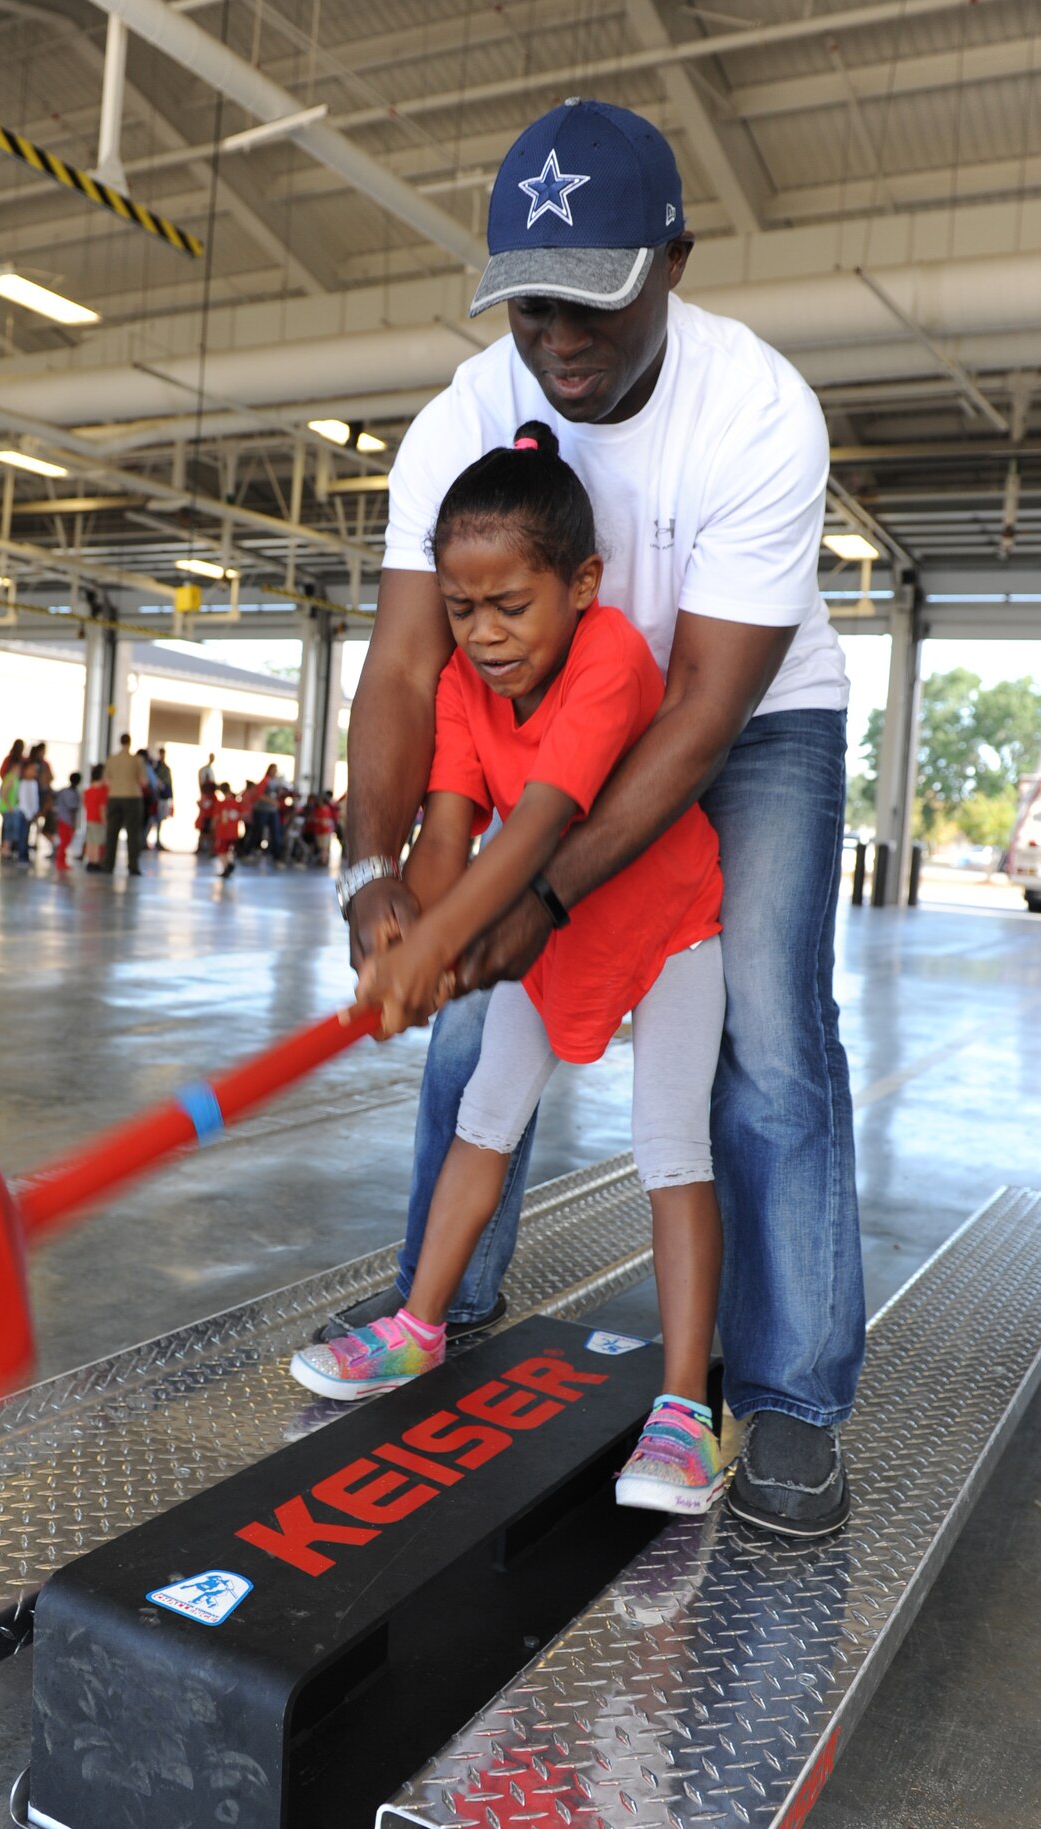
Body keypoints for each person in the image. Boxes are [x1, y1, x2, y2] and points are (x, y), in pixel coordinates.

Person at [334, 99, 863, 1539]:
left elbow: (691, 713)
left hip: (743, 720)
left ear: (674, 264)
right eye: (529, 305)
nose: (559, 336)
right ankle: (436, 1307)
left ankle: (794, 1395)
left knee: (764, 1035)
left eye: (594, 299)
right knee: (461, 1008)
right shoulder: (457, 420)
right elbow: (401, 662)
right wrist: (380, 874)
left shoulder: (754, 411)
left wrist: (540, 899)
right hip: (542, 718)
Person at [290, 429, 727, 1513]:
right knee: (481, 1115)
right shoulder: (461, 689)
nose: (482, 633)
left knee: (669, 1144)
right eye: (458, 605)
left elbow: (534, 835)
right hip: (550, 938)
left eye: (509, 606)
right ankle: (416, 1326)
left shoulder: (614, 656)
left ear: (578, 585)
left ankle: (684, 1411)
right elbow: (450, 833)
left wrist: (441, 951)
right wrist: (403, 929)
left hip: (668, 921)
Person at [103, 731, 148, 876]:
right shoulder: (136, 760)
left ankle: (108, 864)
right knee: (133, 833)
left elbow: (106, 780)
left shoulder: (112, 759)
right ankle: (133, 866)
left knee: (111, 832)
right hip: (132, 797)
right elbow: (144, 781)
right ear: (130, 742)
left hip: (114, 796)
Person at [211, 782, 243, 879]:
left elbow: (216, 817)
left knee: (221, 850)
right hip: (233, 832)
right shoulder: (236, 803)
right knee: (229, 850)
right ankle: (229, 865)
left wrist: (212, 827)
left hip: (223, 832)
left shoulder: (221, 804)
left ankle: (227, 867)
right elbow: (242, 815)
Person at [53, 771, 81, 874]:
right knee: (65, 841)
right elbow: (72, 809)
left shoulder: (64, 791)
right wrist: (73, 823)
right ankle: (60, 861)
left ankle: (62, 860)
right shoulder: (72, 793)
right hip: (66, 820)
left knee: (65, 841)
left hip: (61, 818)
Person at [83, 763, 108, 871]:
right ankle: (96, 862)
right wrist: (104, 820)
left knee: (90, 841)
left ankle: (90, 861)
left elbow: (86, 805)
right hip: (98, 820)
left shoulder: (88, 791)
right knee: (97, 842)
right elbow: (102, 808)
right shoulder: (103, 791)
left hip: (89, 819)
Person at [0, 756, 23, 863]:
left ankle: (7, 848)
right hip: (7, 808)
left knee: (12, 828)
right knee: (9, 828)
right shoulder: (10, 777)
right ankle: (5, 849)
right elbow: (3, 792)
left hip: (12, 808)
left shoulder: (16, 778)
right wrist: (8, 806)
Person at [151, 746, 174, 849]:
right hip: (158, 796)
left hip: (164, 796)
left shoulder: (166, 767)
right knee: (155, 818)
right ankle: (154, 840)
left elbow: (170, 782)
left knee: (161, 819)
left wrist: (171, 797)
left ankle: (158, 840)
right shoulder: (156, 767)